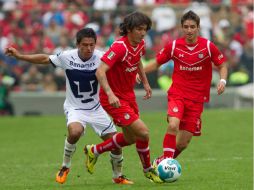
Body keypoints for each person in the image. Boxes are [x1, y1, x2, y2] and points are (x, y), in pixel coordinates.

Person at [5, 28, 133, 185]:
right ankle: (65, 167)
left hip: (96, 108)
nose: (89, 49)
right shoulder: (67, 57)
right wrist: (20, 56)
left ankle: (117, 176)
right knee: (75, 131)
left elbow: (121, 66)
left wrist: (136, 73)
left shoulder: (102, 57)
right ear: (77, 44)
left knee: (115, 143)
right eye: (85, 45)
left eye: (92, 45)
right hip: (75, 108)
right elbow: (45, 59)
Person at [84, 11, 162, 183]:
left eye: (145, 29)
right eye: (139, 29)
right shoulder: (119, 47)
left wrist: (146, 82)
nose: (142, 33)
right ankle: (148, 170)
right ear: (129, 29)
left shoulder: (140, 44)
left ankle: (94, 150)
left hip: (128, 96)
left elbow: (138, 61)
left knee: (131, 138)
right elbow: (100, 71)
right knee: (143, 133)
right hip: (113, 98)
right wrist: (110, 94)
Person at [142, 10, 228, 164]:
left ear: (198, 28)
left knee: (182, 144)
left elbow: (222, 65)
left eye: (192, 27)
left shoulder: (208, 46)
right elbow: (156, 63)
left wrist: (223, 81)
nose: (189, 30)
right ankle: (167, 166)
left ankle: (160, 162)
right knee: (173, 125)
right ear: (182, 28)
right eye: (186, 27)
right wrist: (140, 73)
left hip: (197, 99)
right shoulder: (174, 46)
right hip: (178, 94)